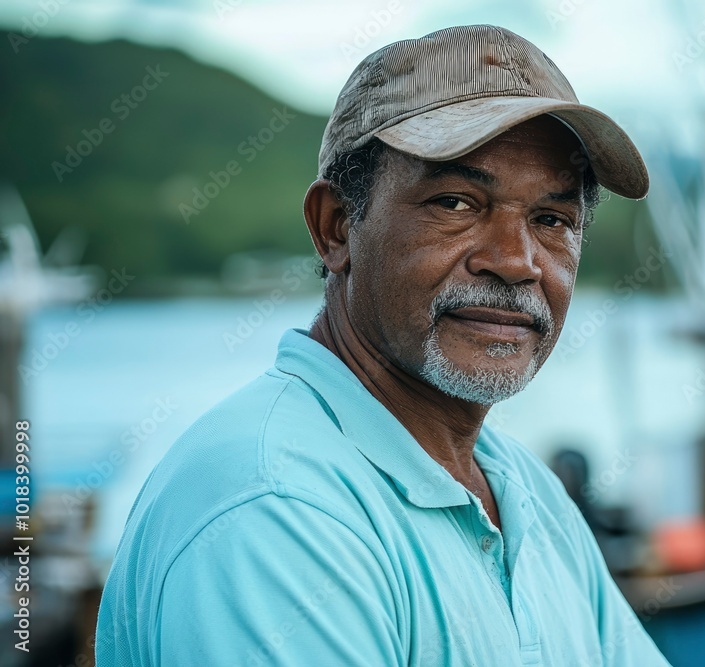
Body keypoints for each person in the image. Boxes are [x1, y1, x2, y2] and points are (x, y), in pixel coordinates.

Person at [96, 24, 670, 666]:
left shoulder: (525, 496)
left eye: (552, 220)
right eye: (456, 202)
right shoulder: (276, 509)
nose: (515, 261)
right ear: (336, 227)